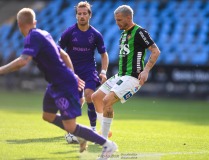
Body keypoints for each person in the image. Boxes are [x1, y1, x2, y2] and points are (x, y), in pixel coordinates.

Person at [0, 8, 117, 159]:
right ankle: (81, 135)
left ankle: (107, 144)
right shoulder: (43, 33)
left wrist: (1, 70)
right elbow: (65, 54)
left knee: (70, 126)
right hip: (57, 82)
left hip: (62, 83)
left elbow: (23, 61)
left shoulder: (31, 37)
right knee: (48, 115)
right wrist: (73, 74)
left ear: (19, 24)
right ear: (34, 22)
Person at [91, 5, 161, 139]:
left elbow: (156, 51)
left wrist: (146, 71)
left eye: (119, 20)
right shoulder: (123, 34)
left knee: (107, 101)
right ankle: (105, 130)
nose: (117, 23)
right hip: (120, 75)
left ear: (128, 18)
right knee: (96, 97)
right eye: (116, 20)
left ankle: (104, 139)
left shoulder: (140, 32)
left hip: (133, 77)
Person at [58, 1, 109, 137]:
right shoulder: (69, 32)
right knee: (77, 101)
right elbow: (58, 50)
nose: (82, 16)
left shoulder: (96, 35)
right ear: (76, 16)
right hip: (72, 71)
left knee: (89, 95)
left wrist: (103, 72)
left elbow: (104, 55)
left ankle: (92, 129)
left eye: (84, 13)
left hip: (89, 70)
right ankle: (69, 127)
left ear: (89, 15)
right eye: (79, 14)